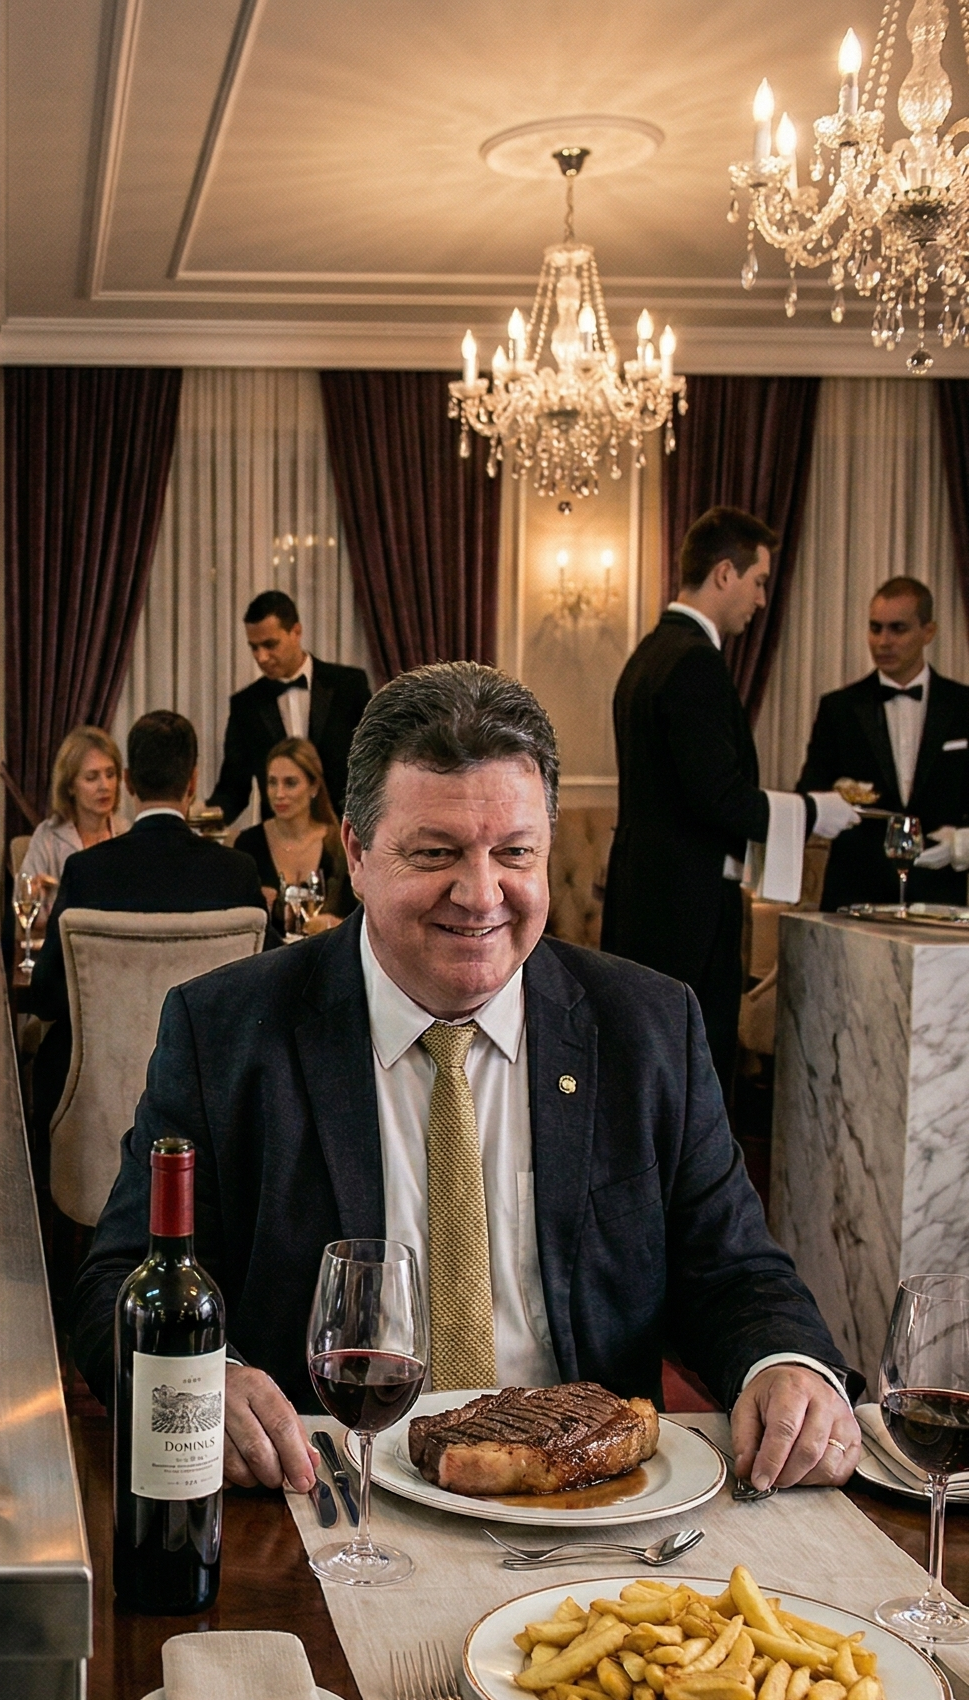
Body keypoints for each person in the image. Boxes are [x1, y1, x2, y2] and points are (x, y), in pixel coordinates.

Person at [76, 663, 860, 1509]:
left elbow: (736, 1272)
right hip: (326, 1495)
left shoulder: (647, 1029)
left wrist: (786, 1365)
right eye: (436, 853)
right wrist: (203, 1378)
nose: (481, 895)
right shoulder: (226, 1031)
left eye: (514, 853)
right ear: (357, 854)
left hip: (594, 1507)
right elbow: (117, 1279)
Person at [601, 507, 858, 1091]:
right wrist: (816, 811)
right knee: (693, 1074)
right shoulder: (695, 661)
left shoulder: (650, 653)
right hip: (686, 910)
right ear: (724, 574)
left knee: (648, 1068)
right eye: (758, 581)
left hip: (647, 896)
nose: (761, 599)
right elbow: (718, 797)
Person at [27, 710, 267, 1144]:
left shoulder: (86, 871)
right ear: (192, 781)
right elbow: (264, 992)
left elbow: (44, 996)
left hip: (94, 1107)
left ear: (128, 782)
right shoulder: (236, 872)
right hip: (211, 1101)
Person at [798, 575, 969, 910]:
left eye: (897, 629)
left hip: (938, 894)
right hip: (856, 892)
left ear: (928, 632)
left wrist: (958, 842)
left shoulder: (963, 706)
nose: (883, 641)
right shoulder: (839, 708)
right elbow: (810, 790)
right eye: (875, 628)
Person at [207, 589, 371, 832]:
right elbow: (233, 790)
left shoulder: (348, 686)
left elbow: (373, 763)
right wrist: (197, 822)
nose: (261, 657)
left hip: (346, 834)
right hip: (279, 840)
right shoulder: (246, 705)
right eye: (254, 647)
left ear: (296, 631)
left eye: (270, 645)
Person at [232, 735, 355, 930]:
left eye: (290, 783)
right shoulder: (249, 845)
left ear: (313, 786)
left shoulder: (339, 845)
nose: (279, 794)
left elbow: (362, 919)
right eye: (272, 782)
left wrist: (333, 925)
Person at [19, 723, 128, 884]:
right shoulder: (48, 837)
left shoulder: (127, 833)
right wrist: (37, 892)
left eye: (110, 774)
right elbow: (25, 894)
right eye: (91, 777)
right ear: (70, 785)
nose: (105, 786)